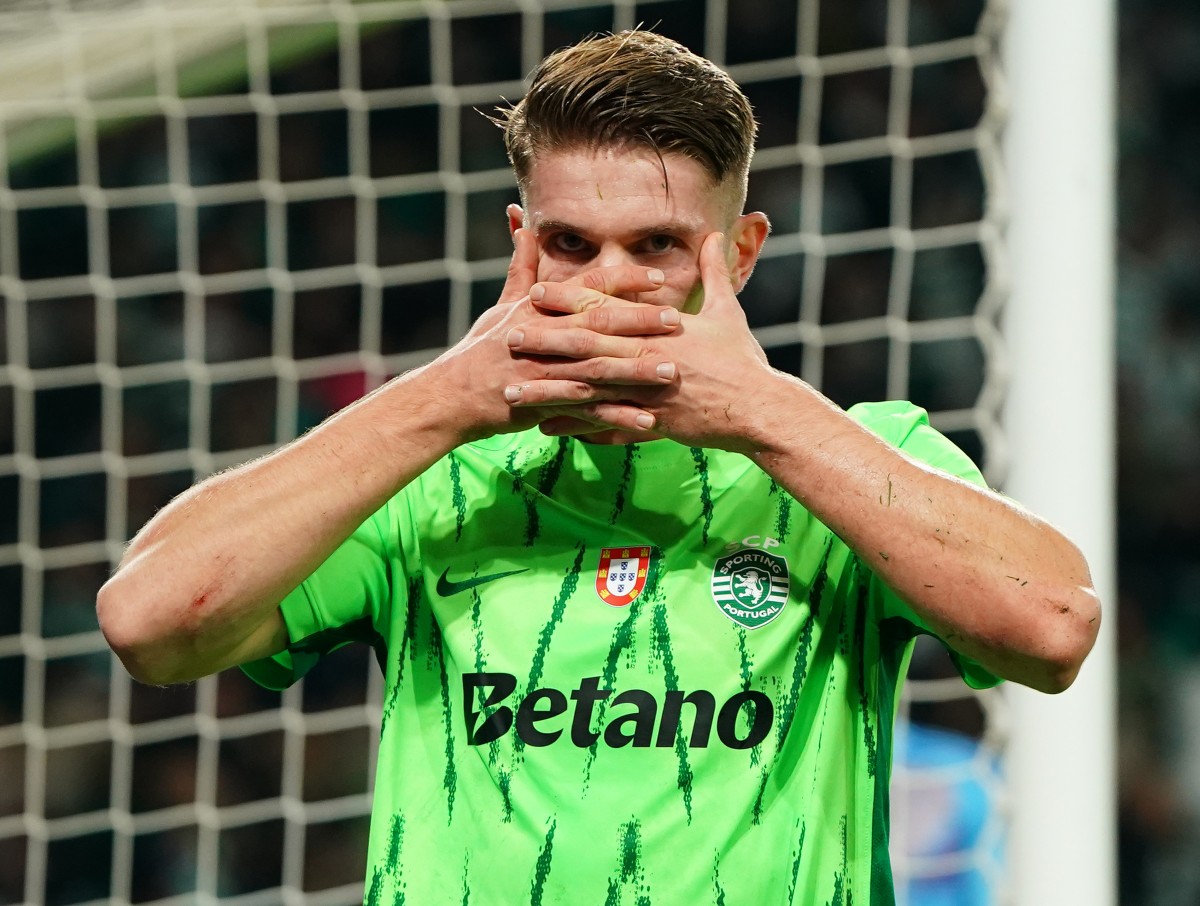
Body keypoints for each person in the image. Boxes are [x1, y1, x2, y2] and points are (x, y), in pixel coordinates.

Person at [97, 30, 1100, 905]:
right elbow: (149, 620)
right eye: (572, 244)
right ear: (520, 245)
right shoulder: (431, 473)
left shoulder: (847, 458)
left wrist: (758, 412)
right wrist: (448, 396)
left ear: (741, 255)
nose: (612, 285)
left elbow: (1051, 628)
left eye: (658, 245)